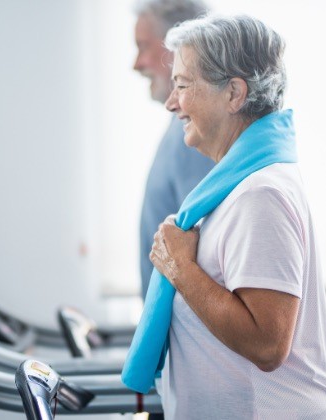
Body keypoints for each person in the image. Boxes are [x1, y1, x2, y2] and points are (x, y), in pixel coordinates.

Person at [148, 14, 326, 419]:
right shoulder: (239, 187)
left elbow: (267, 343)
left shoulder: (261, 194)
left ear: (234, 94)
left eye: (183, 85)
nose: (172, 102)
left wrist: (180, 269)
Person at [133, 0, 215, 300]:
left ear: (176, 47)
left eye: (143, 47)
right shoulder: (180, 128)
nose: (136, 64)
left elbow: (207, 258)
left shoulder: (198, 138)